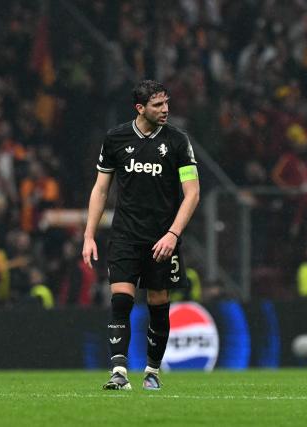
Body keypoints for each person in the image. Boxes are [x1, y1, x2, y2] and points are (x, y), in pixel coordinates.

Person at [82, 80, 200, 391]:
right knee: (121, 299)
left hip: (163, 238)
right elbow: (101, 188)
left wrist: (173, 234)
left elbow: (192, 194)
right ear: (140, 108)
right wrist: (89, 234)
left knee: (158, 303)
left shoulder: (177, 141)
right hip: (125, 235)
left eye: (166, 103)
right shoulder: (116, 138)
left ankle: (152, 371)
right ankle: (119, 372)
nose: (166, 110)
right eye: (158, 105)